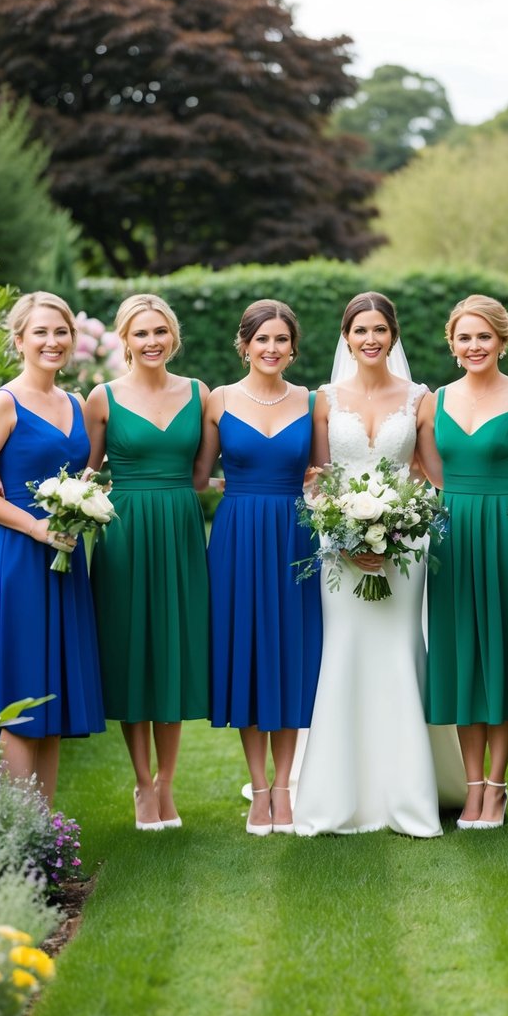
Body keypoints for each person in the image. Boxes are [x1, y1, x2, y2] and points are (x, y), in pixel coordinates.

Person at [294, 291, 444, 837]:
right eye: (361, 330)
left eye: (380, 329)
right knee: (346, 652)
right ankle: (337, 796)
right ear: (347, 337)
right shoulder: (324, 399)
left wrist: (402, 526)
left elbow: (433, 478)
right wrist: (340, 531)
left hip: (406, 552)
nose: (371, 338)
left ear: (394, 335)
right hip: (340, 552)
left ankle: (408, 795)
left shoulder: (420, 399)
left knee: (399, 653)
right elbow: (317, 477)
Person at [0, 292, 104, 804]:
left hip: (63, 556)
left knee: (53, 697)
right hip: (19, 556)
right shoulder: (3, 402)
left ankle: (46, 837)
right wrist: (36, 528)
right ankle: (18, 831)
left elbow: (81, 469)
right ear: (19, 340)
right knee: (22, 692)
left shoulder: (76, 403)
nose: (52, 341)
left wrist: (84, 501)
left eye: (60, 331)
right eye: (40, 332)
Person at [417, 294, 508, 829]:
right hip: (452, 536)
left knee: (504, 652)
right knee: (461, 657)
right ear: (452, 344)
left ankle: (496, 785)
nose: (475, 346)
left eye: (484, 337)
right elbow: (431, 471)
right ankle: (471, 785)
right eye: (465, 338)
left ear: (501, 341)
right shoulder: (434, 402)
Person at [194, 299, 322, 835]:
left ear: (293, 348)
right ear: (243, 344)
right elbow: (200, 475)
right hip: (238, 536)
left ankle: (287, 788)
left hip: (295, 535)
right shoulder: (218, 400)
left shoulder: (313, 403)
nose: (272, 349)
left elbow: (323, 475)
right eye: (262, 339)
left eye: (281, 340)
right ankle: (259, 788)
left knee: (291, 653)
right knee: (246, 653)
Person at [85, 294, 209, 831]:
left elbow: (203, 475)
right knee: (132, 652)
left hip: (181, 527)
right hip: (126, 532)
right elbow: (86, 472)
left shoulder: (200, 394)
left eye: (160, 331)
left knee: (174, 651)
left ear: (173, 336)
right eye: (141, 333)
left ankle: (167, 784)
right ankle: (141, 782)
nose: (152, 341)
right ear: (125, 340)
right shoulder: (102, 398)